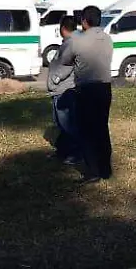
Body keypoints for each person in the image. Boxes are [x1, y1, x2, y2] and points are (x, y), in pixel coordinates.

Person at [54, 5, 114, 183]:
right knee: (102, 129)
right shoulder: (107, 38)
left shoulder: (78, 41)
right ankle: (105, 169)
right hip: (105, 88)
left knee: (86, 131)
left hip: (86, 89)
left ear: (84, 21)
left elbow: (65, 59)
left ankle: (93, 170)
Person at [47, 15, 80, 165]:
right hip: (58, 90)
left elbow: (67, 65)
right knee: (60, 124)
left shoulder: (72, 44)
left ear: (63, 28)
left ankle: (75, 153)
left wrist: (56, 78)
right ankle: (62, 151)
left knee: (67, 124)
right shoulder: (67, 43)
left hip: (65, 89)